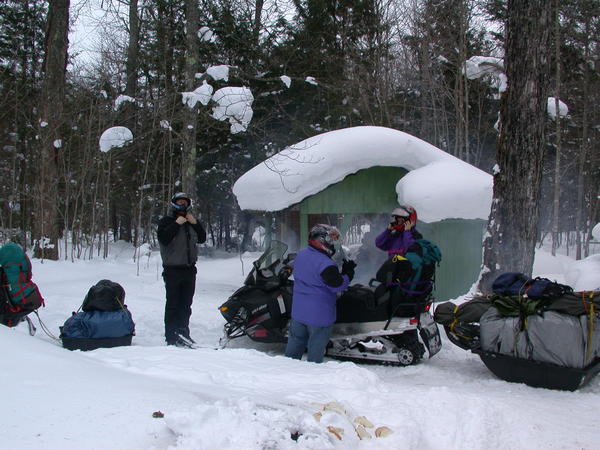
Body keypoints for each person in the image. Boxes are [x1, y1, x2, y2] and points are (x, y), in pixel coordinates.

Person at [284, 224, 355, 363]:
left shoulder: (301, 254)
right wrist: (348, 273)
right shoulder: (326, 264)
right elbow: (338, 285)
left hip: (299, 313)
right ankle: (313, 378)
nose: (333, 244)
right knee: (315, 351)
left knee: (294, 348)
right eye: (331, 240)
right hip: (319, 316)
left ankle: (288, 375)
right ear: (322, 240)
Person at [157, 192, 206, 347]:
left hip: (189, 269)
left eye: (185, 202)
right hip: (172, 269)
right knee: (173, 303)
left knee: (186, 304)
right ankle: (171, 336)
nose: (182, 205)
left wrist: (195, 223)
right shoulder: (166, 221)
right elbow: (163, 239)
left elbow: (202, 238)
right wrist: (176, 223)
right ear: (174, 203)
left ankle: (183, 333)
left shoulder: (190, 222)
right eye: (179, 202)